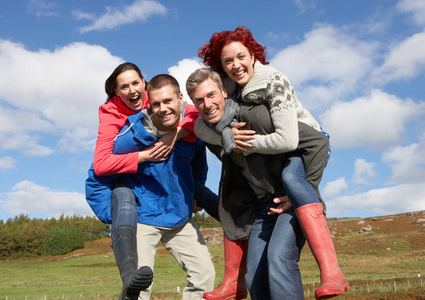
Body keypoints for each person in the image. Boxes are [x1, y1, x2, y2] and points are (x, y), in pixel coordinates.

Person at [195, 26, 349, 299]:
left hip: (303, 147)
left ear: (254, 55)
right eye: (227, 61)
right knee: (255, 272)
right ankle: (237, 283)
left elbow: (289, 139)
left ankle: (332, 271)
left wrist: (244, 144)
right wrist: (226, 134)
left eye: (241, 56)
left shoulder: (274, 80)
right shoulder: (226, 88)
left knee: (280, 249)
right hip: (267, 190)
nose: (235, 65)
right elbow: (201, 124)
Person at [85, 62, 206, 300]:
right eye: (124, 87)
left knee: (204, 276)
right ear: (116, 92)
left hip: (176, 210)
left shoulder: (163, 102)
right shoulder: (114, 118)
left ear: (145, 84)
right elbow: (100, 165)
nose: (131, 90)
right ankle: (128, 274)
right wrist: (145, 155)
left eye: (135, 83)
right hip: (139, 207)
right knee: (139, 285)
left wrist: (176, 133)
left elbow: (196, 118)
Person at [187, 68, 308, 299]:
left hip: (290, 196)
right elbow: (199, 129)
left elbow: (314, 142)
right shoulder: (211, 131)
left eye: (211, 95)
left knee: (278, 258)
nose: (207, 103)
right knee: (254, 276)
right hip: (263, 204)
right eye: (199, 100)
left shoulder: (254, 114)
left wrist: (300, 192)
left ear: (224, 92)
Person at [112, 74, 216, 300]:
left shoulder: (193, 130)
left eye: (168, 101)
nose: (162, 109)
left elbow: (199, 164)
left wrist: (195, 194)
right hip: (143, 216)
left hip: (179, 214)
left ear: (180, 99)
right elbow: (105, 162)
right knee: (138, 286)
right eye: (156, 103)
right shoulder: (132, 136)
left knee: (205, 277)